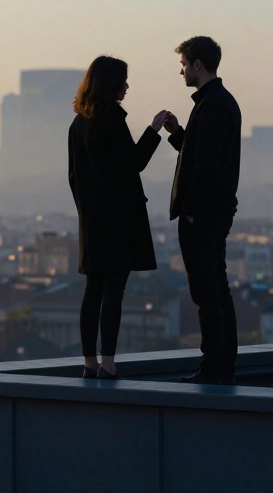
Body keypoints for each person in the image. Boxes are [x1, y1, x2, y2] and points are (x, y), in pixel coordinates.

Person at [68, 55, 169, 379]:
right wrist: (154, 129)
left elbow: (73, 176)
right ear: (111, 84)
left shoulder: (78, 123)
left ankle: (89, 363)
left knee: (92, 291)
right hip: (118, 221)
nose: (127, 86)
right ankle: (108, 363)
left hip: (92, 221)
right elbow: (135, 162)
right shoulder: (110, 119)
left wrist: (85, 210)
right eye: (123, 80)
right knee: (114, 292)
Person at [163, 36, 242, 385]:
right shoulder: (219, 103)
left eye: (183, 64)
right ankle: (223, 364)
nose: (180, 70)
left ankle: (213, 367)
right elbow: (199, 156)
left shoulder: (211, 106)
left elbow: (205, 166)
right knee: (216, 288)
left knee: (206, 292)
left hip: (203, 215)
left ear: (197, 64)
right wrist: (178, 133)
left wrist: (191, 211)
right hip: (214, 212)